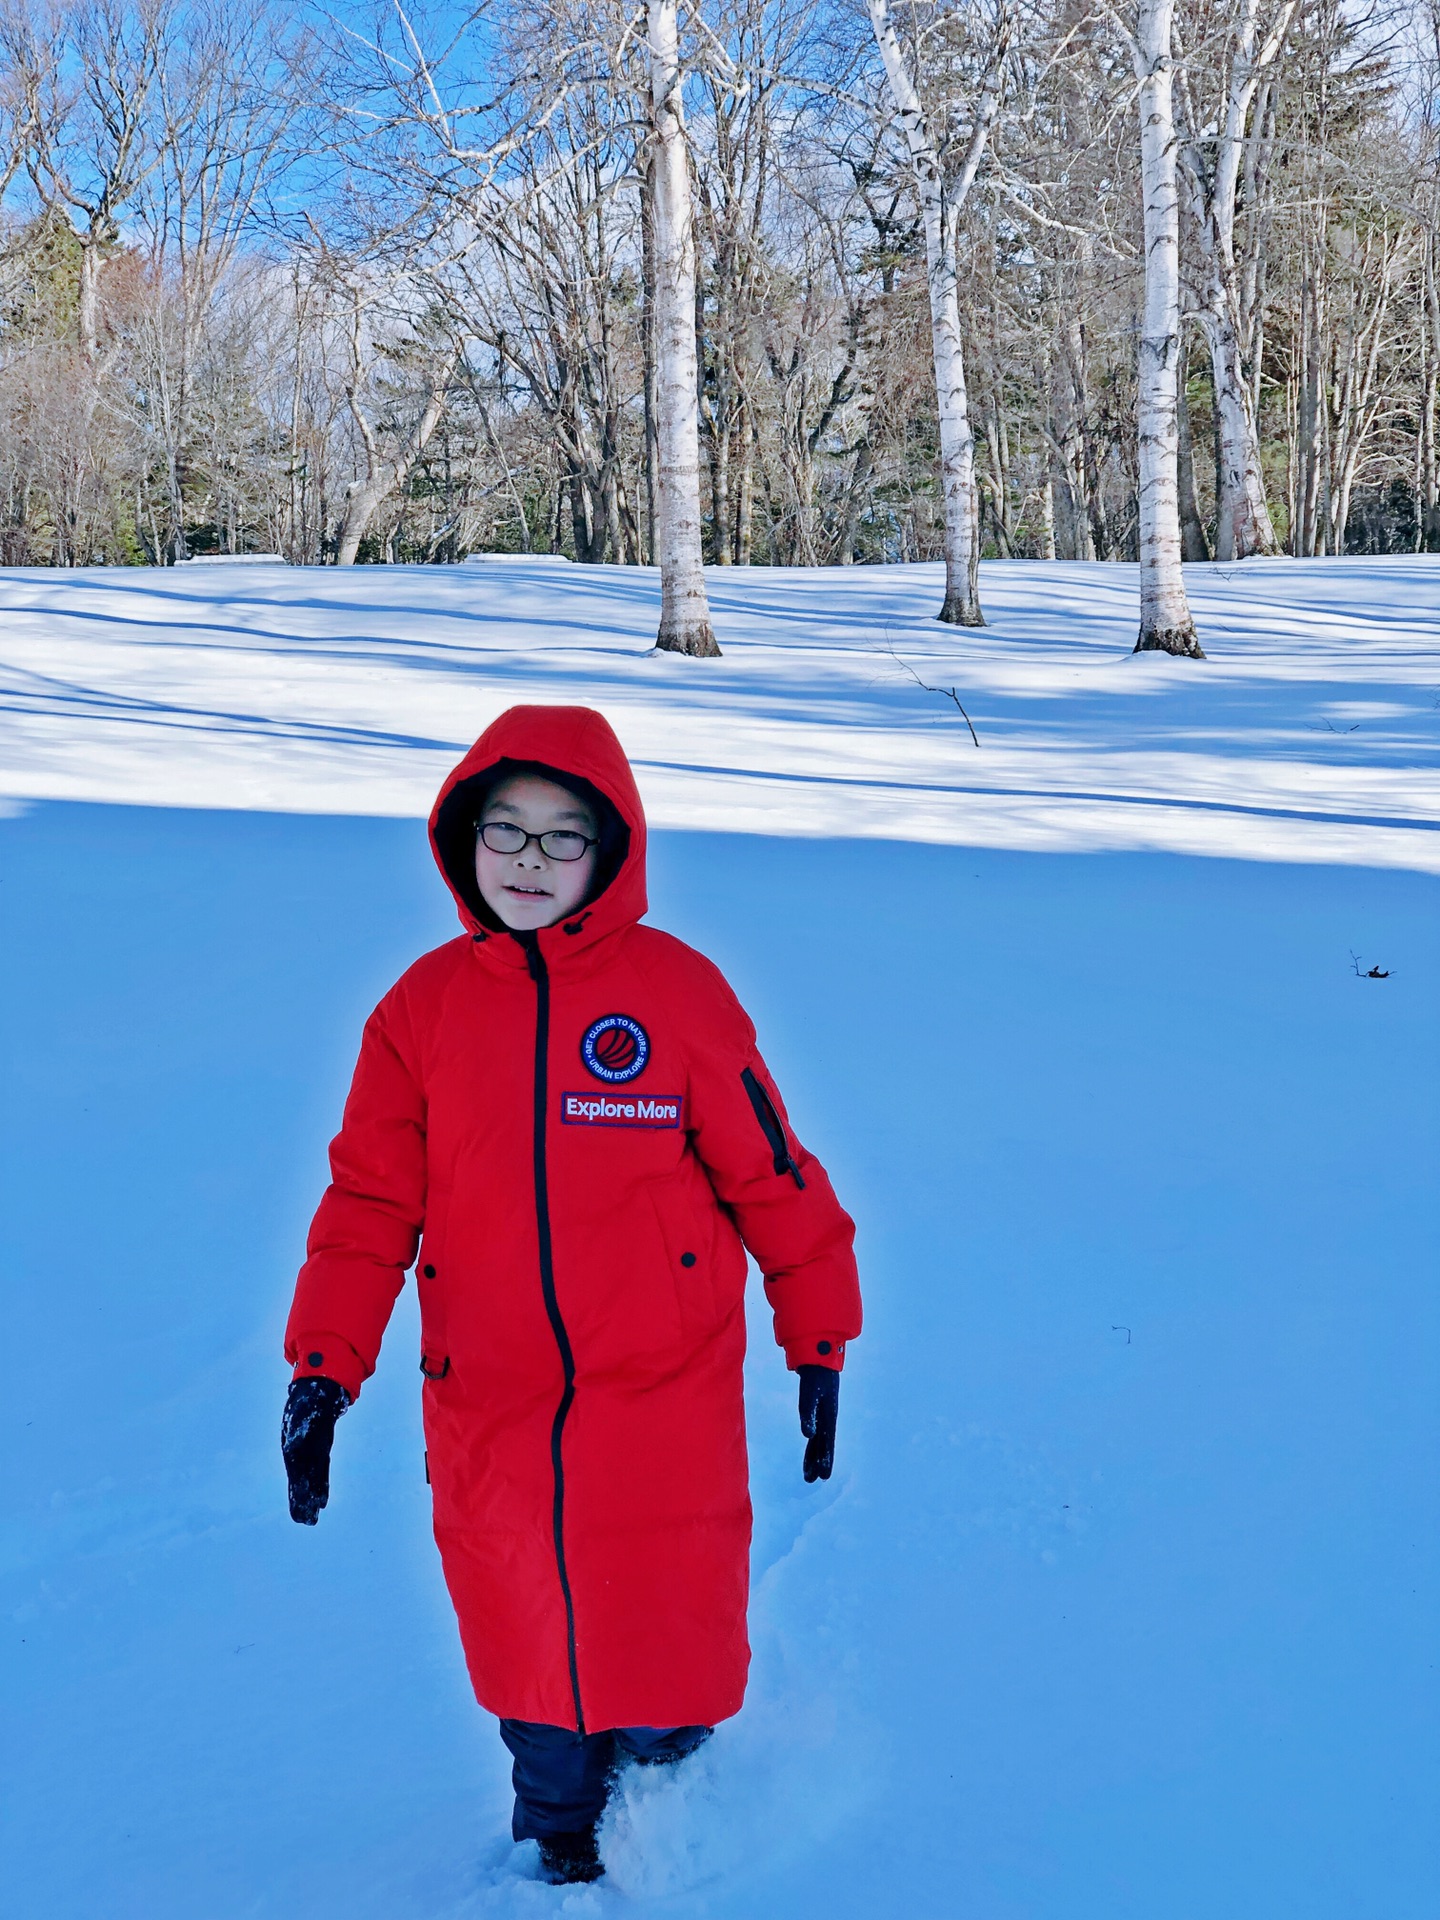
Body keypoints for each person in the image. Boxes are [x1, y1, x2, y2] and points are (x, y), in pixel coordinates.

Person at [280, 704, 862, 1885]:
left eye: (563, 838)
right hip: (490, 1402)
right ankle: (554, 1849)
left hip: (663, 1400)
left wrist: (819, 1339)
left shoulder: (675, 993)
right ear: (463, 841)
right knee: (529, 1647)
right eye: (507, 832)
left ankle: (680, 1823)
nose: (531, 862)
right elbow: (367, 1206)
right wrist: (323, 1366)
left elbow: (775, 1177)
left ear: (612, 853)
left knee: (664, 1637)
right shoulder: (420, 1011)